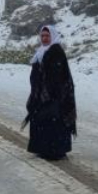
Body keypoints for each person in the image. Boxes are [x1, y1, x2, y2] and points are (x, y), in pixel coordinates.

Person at [24, 25, 76, 161]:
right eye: (42, 36)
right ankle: (43, 149)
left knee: (54, 121)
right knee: (41, 120)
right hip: (41, 95)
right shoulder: (40, 52)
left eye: (47, 36)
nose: (45, 38)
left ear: (52, 36)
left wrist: (50, 92)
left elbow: (58, 75)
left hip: (55, 96)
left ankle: (56, 151)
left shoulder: (56, 51)